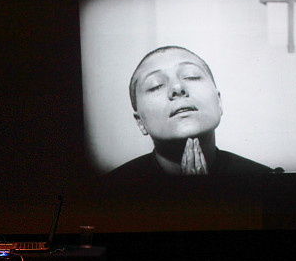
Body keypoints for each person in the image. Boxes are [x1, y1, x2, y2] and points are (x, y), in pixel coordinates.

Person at [106, 46, 281, 179]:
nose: (177, 88)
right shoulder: (112, 190)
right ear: (140, 122)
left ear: (219, 102)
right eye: (156, 85)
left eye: (191, 76)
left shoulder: (266, 181)